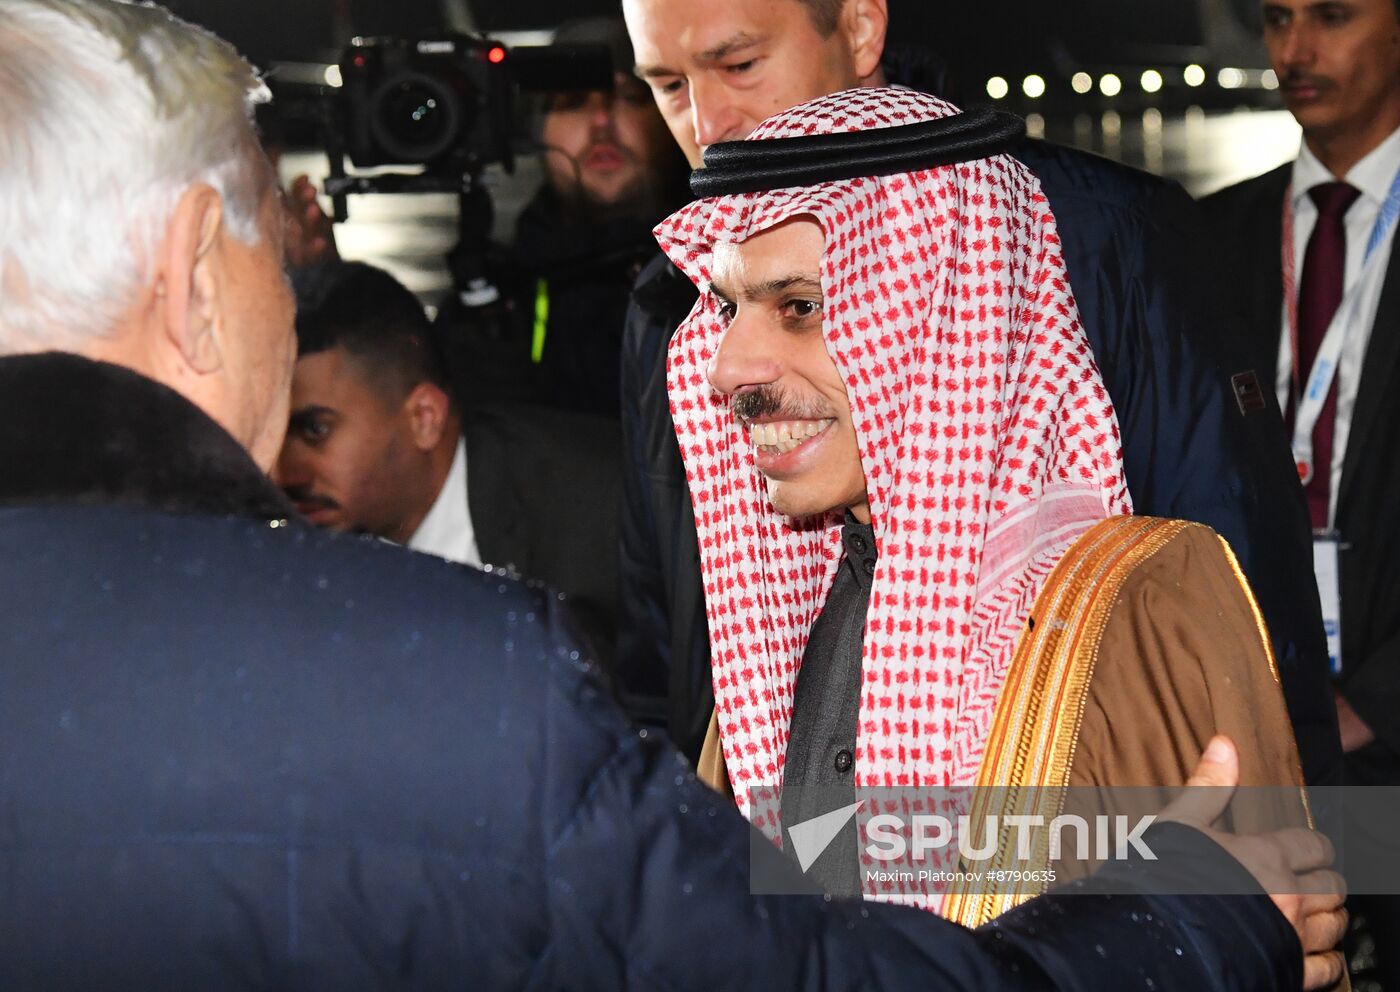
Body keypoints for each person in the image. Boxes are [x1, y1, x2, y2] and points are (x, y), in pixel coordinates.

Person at [0, 1, 1346, 988]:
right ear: (186, 272)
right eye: (725, 309)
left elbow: (1304, 829)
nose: (732, 370)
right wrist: (1190, 902)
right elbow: (784, 866)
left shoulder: (1133, 570)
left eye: (806, 309)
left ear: (946, 310)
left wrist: (1264, 875)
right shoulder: (745, 601)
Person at [615, 0, 1343, 790]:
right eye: (666, 83)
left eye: (739, 63)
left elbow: (1243, 687)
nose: (708, 120)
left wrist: (1300, 869)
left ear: (860, 27)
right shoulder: (664, 314)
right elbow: (664, 653)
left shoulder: (1102, 244)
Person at [1201, 0, 1400, 981]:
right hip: (1250, 735)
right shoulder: (1203, 238)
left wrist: (1364, 702)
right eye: (1275, 19)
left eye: (1328, 15)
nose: (1292, 50)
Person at [275, 261, 621, 663]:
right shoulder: (283, 545)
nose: (285, 472)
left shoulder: (598, 514)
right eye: (273, 431)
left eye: (315, 430)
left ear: (424, 418)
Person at [437, 17, 688, 417]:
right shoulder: (498, 300)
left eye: (627, 97)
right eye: (572, 101)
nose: (601, 121)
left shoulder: (725, 271)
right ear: (538, 132)